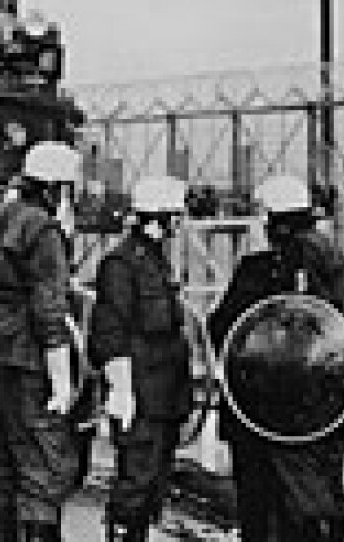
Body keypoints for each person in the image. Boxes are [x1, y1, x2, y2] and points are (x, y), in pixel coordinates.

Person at [208, 175, 344, 542]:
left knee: (264, 507)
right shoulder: (335, 260)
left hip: (264, 412)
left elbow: (224, 328)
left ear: (272, 220)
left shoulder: (261, 269)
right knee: (319, 499)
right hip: (322, 407)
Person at [0, 141, 82, 542]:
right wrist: (62, 380)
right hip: (26, 361)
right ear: (55, 189)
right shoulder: (43, 230)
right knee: (43, 462)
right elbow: (49, 310)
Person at [88, 175, 192, 542]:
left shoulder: (156, 261)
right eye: (175, 217)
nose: (179, 225)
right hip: (140, 395)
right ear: (158, 218)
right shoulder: (120, 264)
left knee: (153, 486)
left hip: (164, 398)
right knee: (135, 482)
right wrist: (121, 390)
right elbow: (111, 332)